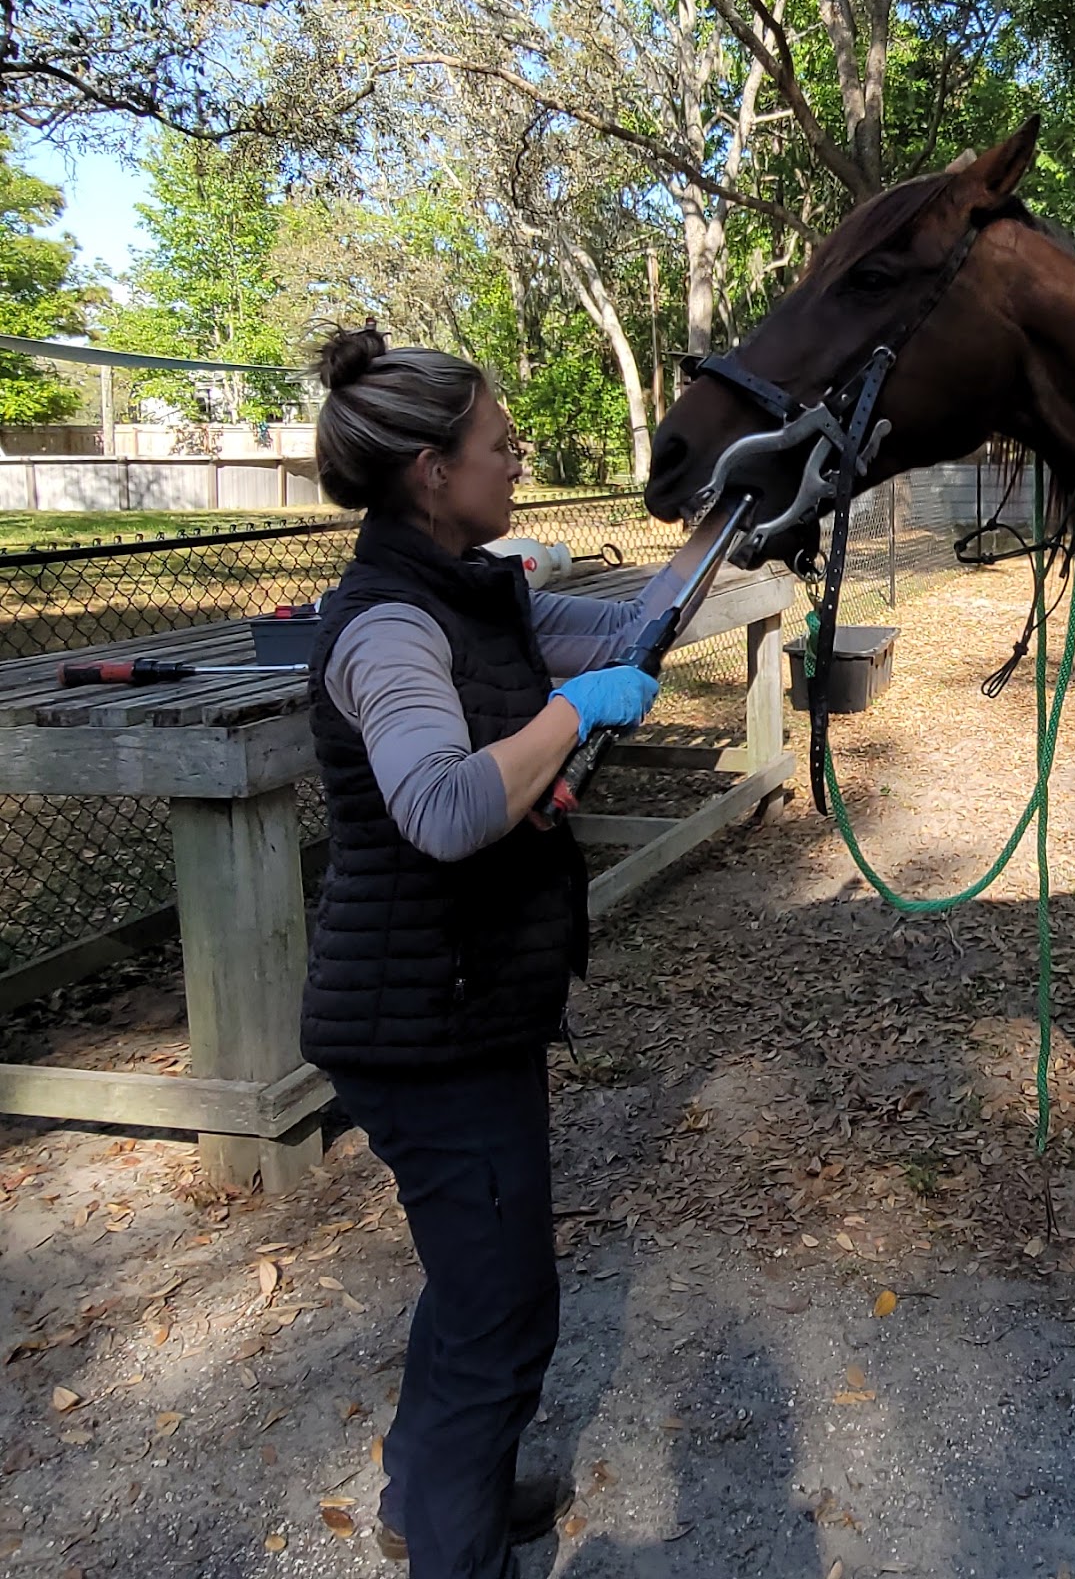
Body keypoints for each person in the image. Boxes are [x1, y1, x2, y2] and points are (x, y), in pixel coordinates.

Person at [304, 323, 678, 1576]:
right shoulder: (389, 628)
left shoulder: (475, 591)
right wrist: (567, 715)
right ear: (431, 470)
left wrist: (744, 504)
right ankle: (454, 1541)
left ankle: (424, 1490)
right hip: (425, 1031)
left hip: (465, 1005)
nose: (517, 461)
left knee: (472, 1287)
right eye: (499, 445)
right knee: (501, 1319)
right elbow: (445, 806)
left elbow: (632, 629)